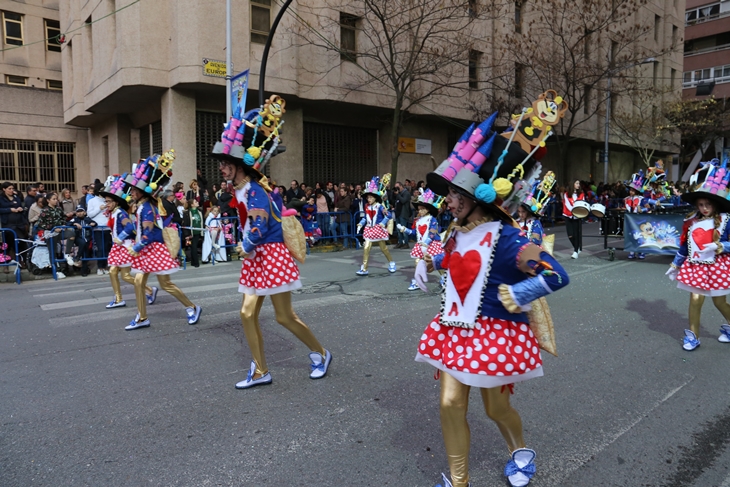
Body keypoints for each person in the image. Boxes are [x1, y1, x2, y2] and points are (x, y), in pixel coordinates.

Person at [421, 112, 570, 487]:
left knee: (496, 408)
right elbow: (457, 262)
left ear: (477, 198)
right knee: (450, 404)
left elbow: (556, 274)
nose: (449, 202)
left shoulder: (510, 240)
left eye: (455, 195)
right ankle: (459, 481)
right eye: (449, 194)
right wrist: (432, 261)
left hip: (494, 334)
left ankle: (519, 451)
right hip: (455, 329)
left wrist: (519, 292)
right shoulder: (456, 235)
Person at [211, 93, 332, 389]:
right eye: (222, 163)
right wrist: (247, 245)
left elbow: (259, 224)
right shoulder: (240, 190)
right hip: (256, 258)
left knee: (283, 316)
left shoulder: (254, 191)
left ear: (241, 165)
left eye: (227, 163)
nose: (222, 168)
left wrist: (246, 244)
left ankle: (320, 352)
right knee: (246, 312)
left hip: (272, 255)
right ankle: (260, 370)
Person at [124, 150, 202, 330]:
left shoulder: (147, 208)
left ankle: (192, 307)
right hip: (148, 249)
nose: (132, 191)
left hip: (153, 249)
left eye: (135, 189)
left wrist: (137, 246)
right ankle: (143, 317)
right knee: (140, 281)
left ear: (143, 191)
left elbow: (149, 232)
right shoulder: (143, 206)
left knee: (165, 284)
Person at [666, 159, 730, 351]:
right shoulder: (691, 222)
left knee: (719, 301)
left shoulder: (725, 220)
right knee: (695, 299)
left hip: (718, 266)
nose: (704, 208)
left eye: (707, 204)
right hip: (696, 266)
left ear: (715, 204)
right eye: (700, 204)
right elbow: (685, 247)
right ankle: (693, 336)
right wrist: (675, 265)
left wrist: (719, 245)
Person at [98, 177, 157, 307]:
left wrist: (120, 237)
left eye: (109, 201)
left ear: (116, 202)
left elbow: (130, 226)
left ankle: (147, 290)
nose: (107, 204)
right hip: (118, 246)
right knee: (114, 272)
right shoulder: (113, 212)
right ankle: (120, 298)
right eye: (106, 201)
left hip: (124, 246)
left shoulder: (120, 213)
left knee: (123, 275)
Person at [396, 188, 443, 291]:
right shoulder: (418, 221)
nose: (420, 211)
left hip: (432, 244)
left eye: (423, 209)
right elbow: (415, 233)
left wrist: (427, 242)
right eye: (419, 209)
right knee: (418, 261)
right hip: (421, 244)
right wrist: (405, 230)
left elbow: (432, 232)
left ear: (428, 209)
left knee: (435, 262)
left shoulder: (432, 219)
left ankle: (444, 277)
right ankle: (418, 281)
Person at [355, 176, 396, 276]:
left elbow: (389, 215)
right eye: (368, 197)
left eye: (370, 197)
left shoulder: (380, 206)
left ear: (375, 197)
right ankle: (364, 268)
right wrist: (361, 223)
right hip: (369, 229)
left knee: (383, 248)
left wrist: (383, 222)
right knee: (366, 247)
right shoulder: (367, 207)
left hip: (378, 229)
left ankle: (391, 262)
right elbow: (365, 217)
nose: (369, 199)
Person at [37, 192, 73, 279]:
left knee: (71, 233)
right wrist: (53, 228)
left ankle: (67, 254)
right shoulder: (44, 211)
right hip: (50, 233)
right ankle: (56, 270)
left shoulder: (59, 209)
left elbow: (64, 219)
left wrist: (64, 225)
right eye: (53, 199)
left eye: (56, 199)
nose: (56, 201)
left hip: (61, 232)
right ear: (48, 200)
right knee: (53, 252)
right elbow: (40, 224)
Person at [0, 181, 27, 266]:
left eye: (12, 188)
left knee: (22, 241)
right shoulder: (1, 198)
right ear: (4, 189)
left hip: (19, 223)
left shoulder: (16, 197)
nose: (11, 190)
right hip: (8, 224)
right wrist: (10, 210)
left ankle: (21, 258)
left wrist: (20, 209)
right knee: (10, 241)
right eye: (9, 189)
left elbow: (22, 206)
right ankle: (7, 260)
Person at [86, 182, 110, 275]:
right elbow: (90, 214)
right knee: (100, 248)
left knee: (106, 248)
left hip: (107, 227)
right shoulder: (92, 201)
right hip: (98, 228)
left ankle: (105, 266)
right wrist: (99, 208)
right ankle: (100, 267)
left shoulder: (107, 200)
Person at [66, 206, 96, 276]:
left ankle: (84, 271)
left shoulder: (87, 219)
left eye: (81, 211)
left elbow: (94, 223)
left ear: (84, 212)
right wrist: (74, 224)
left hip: (87, 239)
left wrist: (93, 224)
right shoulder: (75, 219)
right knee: (82, 243)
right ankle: (78, 257)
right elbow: (68, 224)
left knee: (85, 253)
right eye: (78, 212)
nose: (79, 213)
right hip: (78, 238)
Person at [625, 174, 649, 260]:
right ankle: (631, 251)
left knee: (640, 236)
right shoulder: (626, 199)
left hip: (639, 219)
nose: (630, 192)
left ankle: (641, 251)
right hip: (630, 220)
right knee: (631, 235)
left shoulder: (642, 199)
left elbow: (649, 208)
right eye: (630, 190)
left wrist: (642, 210)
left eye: (632, 190)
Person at [562, 179, 585, 259]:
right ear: (573, 184)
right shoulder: (566, 194)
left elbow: (583, 204)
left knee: (576, 233)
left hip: (577, 216)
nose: (578, 185)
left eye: (579, 183)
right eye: (577, 183)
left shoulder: (581, 194)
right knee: (570, 234)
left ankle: (575, 251)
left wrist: (578, 212)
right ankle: (577, 247)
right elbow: (567, 205)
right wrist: (574, 211)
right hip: (568, 215)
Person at [182, 199, 203, 267]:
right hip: (191, 232)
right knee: (193, 247)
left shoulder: (199, 211)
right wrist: (187, 234)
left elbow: (202, 221)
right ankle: (195, 262)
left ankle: (193, 262)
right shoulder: (187, 213)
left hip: (198, 231)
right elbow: (185, 224)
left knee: (194, 246)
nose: (197, 202)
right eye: (195, 202)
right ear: (192, 205)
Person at [392, 181, 412, 249]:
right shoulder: (399, 194)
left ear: (401, 186)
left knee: (403, 229)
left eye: (397, 187)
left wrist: (398, 195)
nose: (396, 189)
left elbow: (403, 201)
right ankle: (400, 242)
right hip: (398, 213)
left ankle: (406, 243)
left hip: (403, 214)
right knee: (398, 229)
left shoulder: (406, 193)